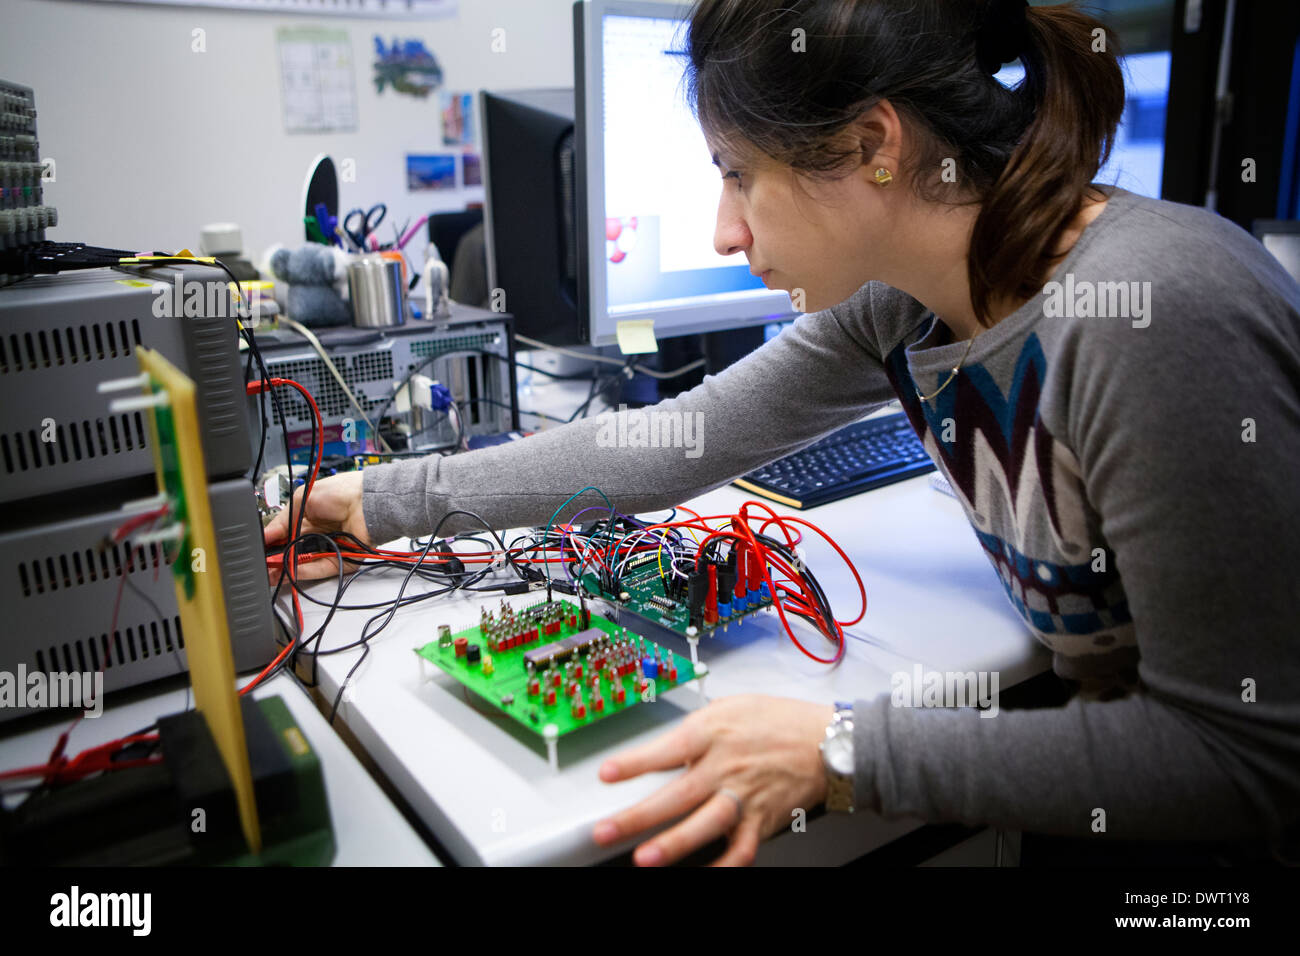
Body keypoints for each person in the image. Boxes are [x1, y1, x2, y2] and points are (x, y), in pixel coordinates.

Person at [264, 0, 1300, 866]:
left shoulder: (1156, 311)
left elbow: (1240, 761)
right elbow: (672, 442)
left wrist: (841, 750)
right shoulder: (907, 306)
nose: (724, 230)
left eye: (735, 171)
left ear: (872, 147)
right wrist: (376, 500)